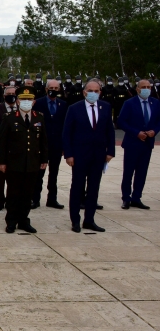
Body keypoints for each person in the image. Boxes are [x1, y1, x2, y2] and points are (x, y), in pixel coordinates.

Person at [62, 79, 115, 233]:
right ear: (84, 92)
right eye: (90, 91)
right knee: (77, 187)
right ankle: (75, 220)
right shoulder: (74, 108)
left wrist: (110, 151)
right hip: (79, 156)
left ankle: (89, 220)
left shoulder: (105, 107)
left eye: (96, 91)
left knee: (93, 188)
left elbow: (109, 131)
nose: (93, 93)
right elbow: (67, 134)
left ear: (100, 92)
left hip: (98, 155)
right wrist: (69, 154)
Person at [0, 86, 49, 233]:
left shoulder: (39, 117)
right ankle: (11, 221)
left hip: (32, 162)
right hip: (14, 162)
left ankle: (24, 220)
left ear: (33, 102)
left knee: (28, 193)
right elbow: (2, 142)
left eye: (29, 99)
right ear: (18, 101)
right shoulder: (9, 117)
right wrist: (1, 161)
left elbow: (43, 141)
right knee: (13, 193)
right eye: (23, 99)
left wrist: (44, 159)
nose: (26, 101)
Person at [117, 79, 160, 209]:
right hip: (132, 143)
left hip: (147, 143)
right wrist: (136, 133)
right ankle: (126, 198)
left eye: (148, 87)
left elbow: (158, 121)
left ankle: (137, 197)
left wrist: (155, 131)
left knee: (142, 172)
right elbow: (121, 121)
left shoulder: (156, 103)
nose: (146, 89)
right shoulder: (129, 103)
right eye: (143, 87)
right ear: (137, 89)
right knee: (128, 172)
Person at [33, 79, 68, 209]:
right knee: (39, 174)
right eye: (51, 87)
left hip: (56, 145)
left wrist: (64, 145)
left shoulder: (63, 104)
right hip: (42, 145)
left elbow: (65, 126)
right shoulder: (38, 103)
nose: (53, 90)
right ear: (46, 89)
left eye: (56, 88)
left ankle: (52, 199)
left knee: (54, 174)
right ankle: (35, 199)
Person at [0, 86, 18, 211]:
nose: (11, 95)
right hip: (0, 149)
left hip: (17, 150)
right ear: (4, 95)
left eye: (13, 93)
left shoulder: (21, 110)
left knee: (14, 178)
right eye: (9, 93)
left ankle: (12, 200)